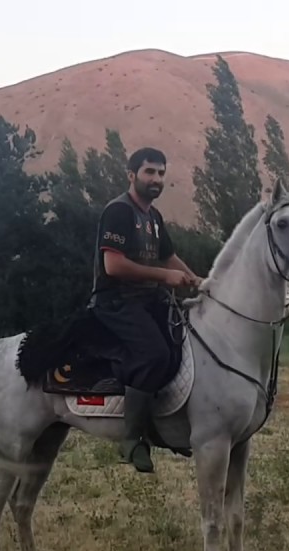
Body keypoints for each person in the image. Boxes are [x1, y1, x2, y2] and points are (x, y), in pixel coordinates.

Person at [89, 147, 201, 473]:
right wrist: (166, 278)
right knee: (154, 354)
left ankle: (167, 426)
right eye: (149, 172)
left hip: (148, 299)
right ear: (131, 175)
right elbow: (113, 265)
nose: (156, 179)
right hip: (116, 301)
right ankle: (131, 438)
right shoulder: (119, 212)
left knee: (182, 344)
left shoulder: (153, 217)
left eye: (161, 173)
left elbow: (168, 257)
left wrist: (196, 280)